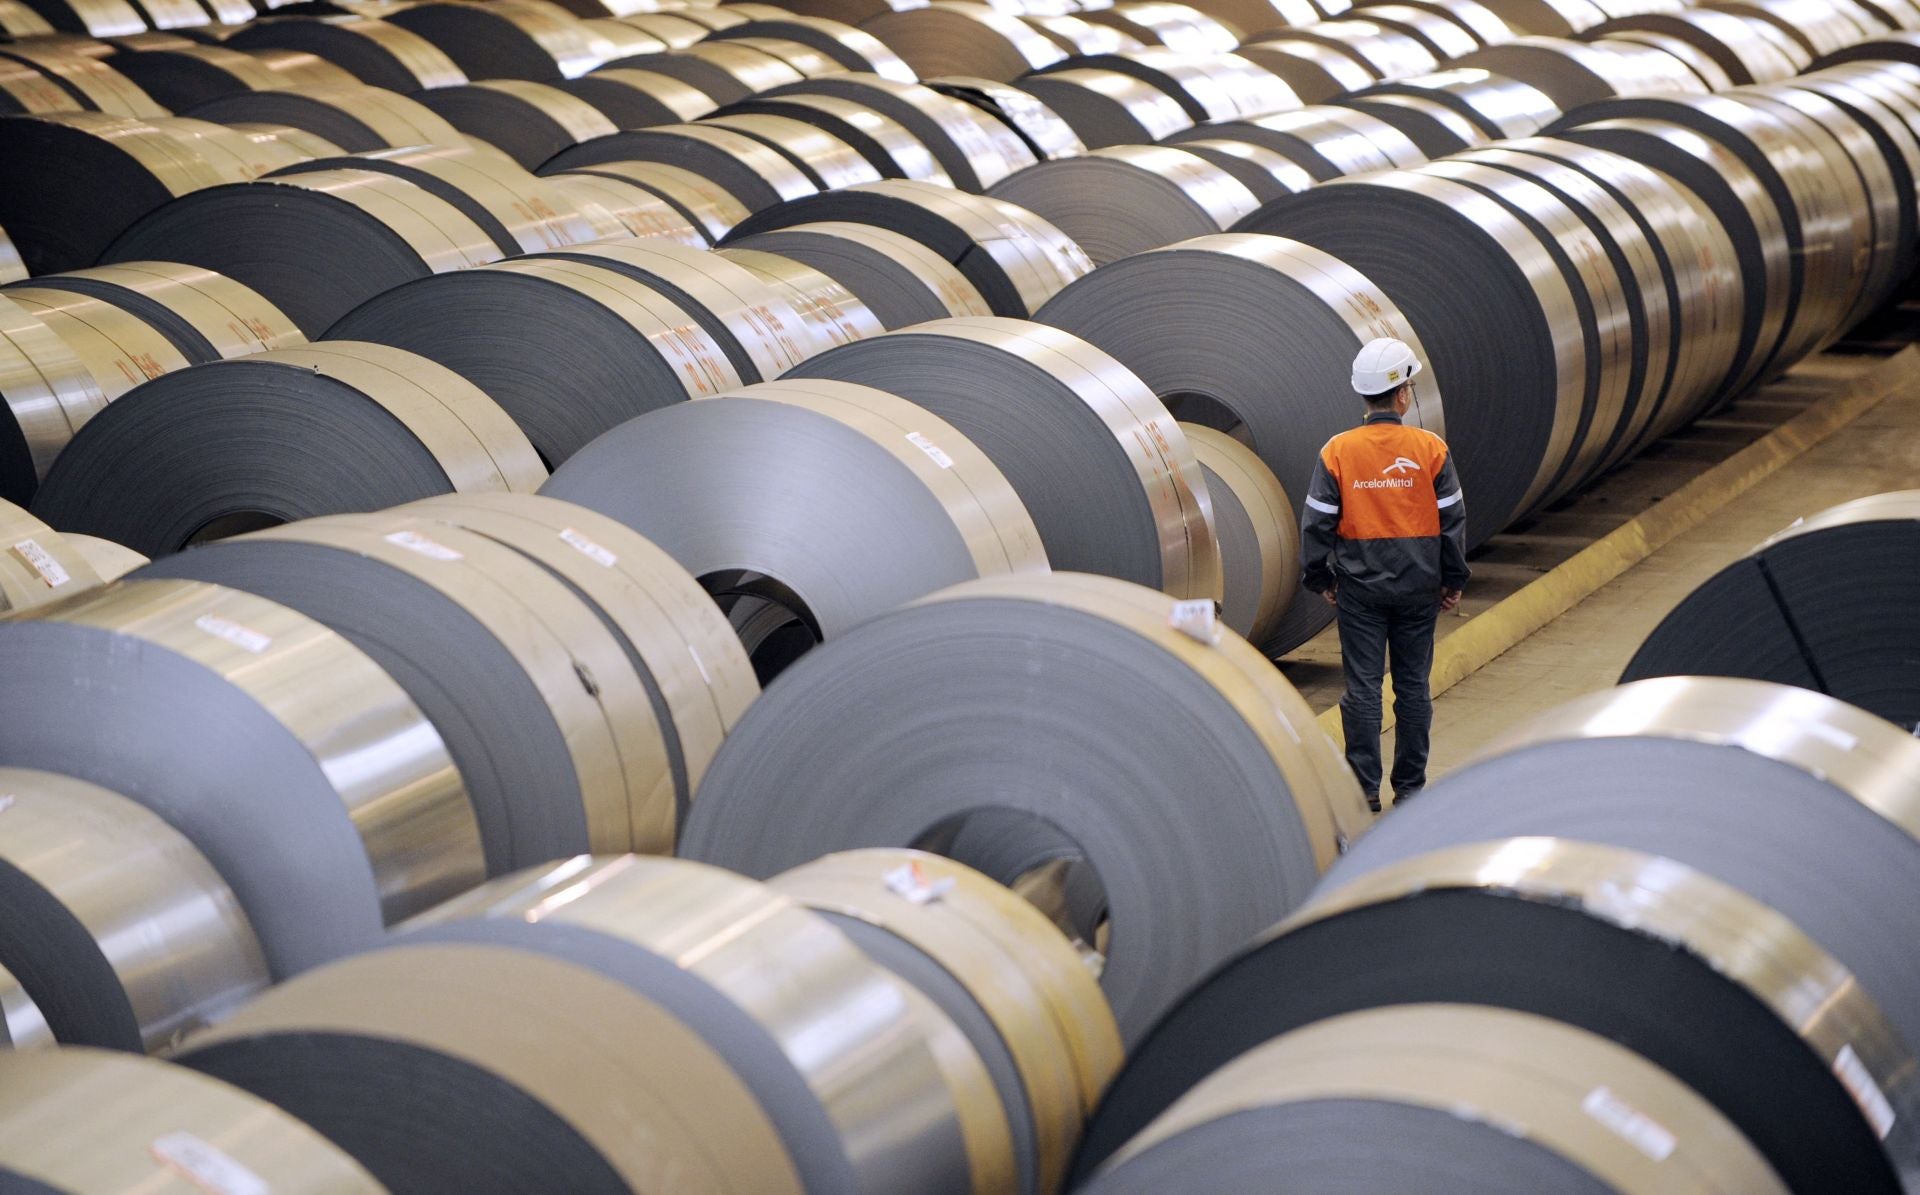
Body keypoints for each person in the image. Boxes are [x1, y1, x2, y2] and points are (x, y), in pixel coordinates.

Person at [1300, 337, 1468, 813]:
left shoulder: (1337, 452)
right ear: (1402, 394)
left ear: (1364, 395)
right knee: (1413, 686)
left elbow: (1317, 522)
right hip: (1418, 589)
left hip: (1360, 591)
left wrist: (1321, 579)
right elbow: (1453, 521)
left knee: (1363, 687)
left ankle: (1364, 788)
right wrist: (1452, 580)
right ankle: (1410, 787)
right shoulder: (1430, 449)